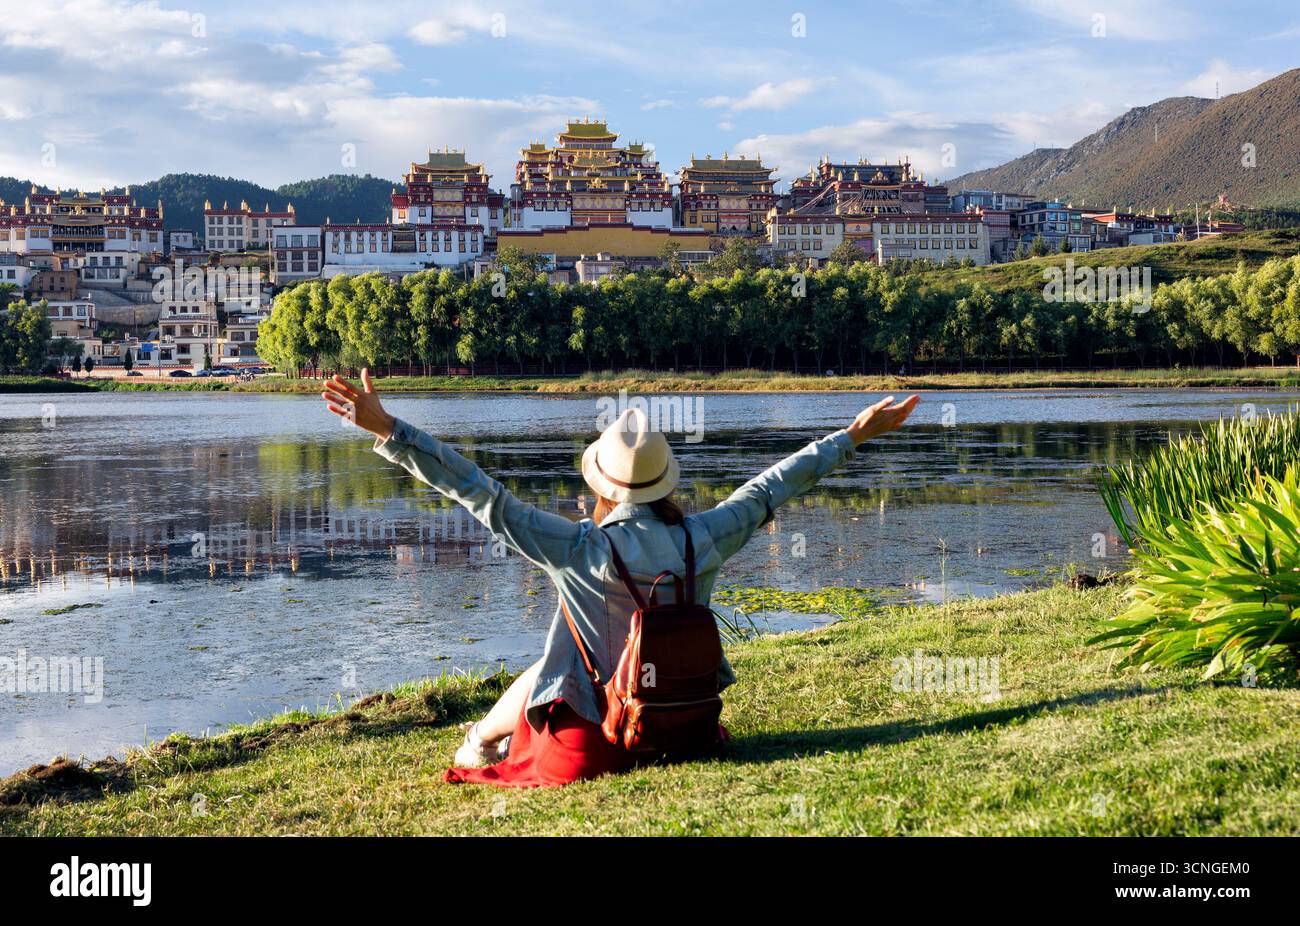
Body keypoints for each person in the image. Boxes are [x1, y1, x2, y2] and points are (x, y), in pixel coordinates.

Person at [322, 370, 919, 787]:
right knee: (564, 652)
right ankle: (479, 741)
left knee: (561, 658)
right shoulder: (702, 538)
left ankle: (478, 741)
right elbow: (770, 486)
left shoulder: (580, 547)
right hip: (682, 730)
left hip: (591, 750)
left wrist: (392, 430)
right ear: (666, 483)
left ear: (600, 486)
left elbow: (483, 495)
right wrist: (852, 436)